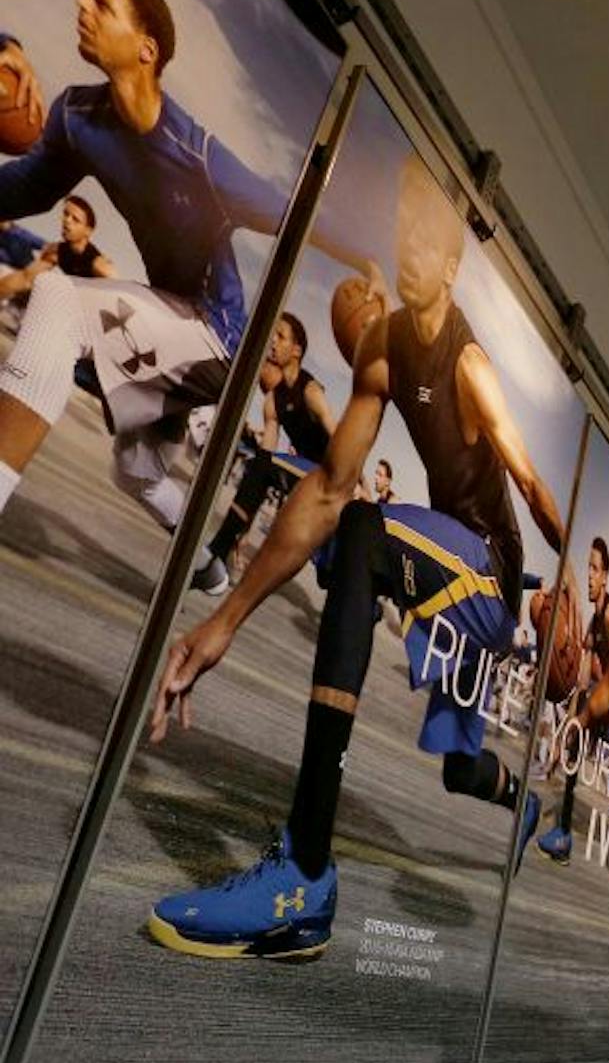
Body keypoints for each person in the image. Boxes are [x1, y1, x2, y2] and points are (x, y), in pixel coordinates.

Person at [146, 154, 562, 959]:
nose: (409, 248)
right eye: (403, 230)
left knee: (367, 537)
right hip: (448, 584)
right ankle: (527, 807)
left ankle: (303, 870)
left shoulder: (469, 364)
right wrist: (224, 619)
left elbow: (531, 481)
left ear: (451, 264)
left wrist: (567, 576)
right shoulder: (383, 347)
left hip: (489, 575)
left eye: (427, 240)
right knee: (456, 769)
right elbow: (329, 487)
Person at [0, 0, 382, 594]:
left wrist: (364, 257)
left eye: (100, 1)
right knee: (137, 471)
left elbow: (291, 212)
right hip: (170, 323)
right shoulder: (75, 117)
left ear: (146, 48)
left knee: (60, 301)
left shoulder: (198, 156)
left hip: (219, 336)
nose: (80, 7)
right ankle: (209, 572)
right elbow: (21, 191)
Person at [201, 312, 333, 571]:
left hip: (329, 473)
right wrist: (249, 495)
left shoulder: (310, 391)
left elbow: (341, 439)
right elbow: (266, 455)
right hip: (303, 472)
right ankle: (219, 549)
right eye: (272, 334)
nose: (272, 340)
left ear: (296, 350)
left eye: (280, 336)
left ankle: (218, 550)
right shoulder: (273, 400)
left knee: (327, 566)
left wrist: (358, 484)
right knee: (258, 467)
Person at [537, 537, 609, 862]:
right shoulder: (592, 624)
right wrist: (567, 726)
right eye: (588, 567)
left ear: (605, 577)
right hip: (596, 705)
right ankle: (563, 838)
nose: (589, 575)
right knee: (571, 754)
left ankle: (566, 836)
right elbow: (583, 682)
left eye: (595, 569)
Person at [0, 195, 115, 302]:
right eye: (66, 214)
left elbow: (117, 293)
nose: (67, 220)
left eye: (76, 219)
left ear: (88, 231)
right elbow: (25, 279)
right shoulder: (57, 251)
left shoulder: (98, 263)